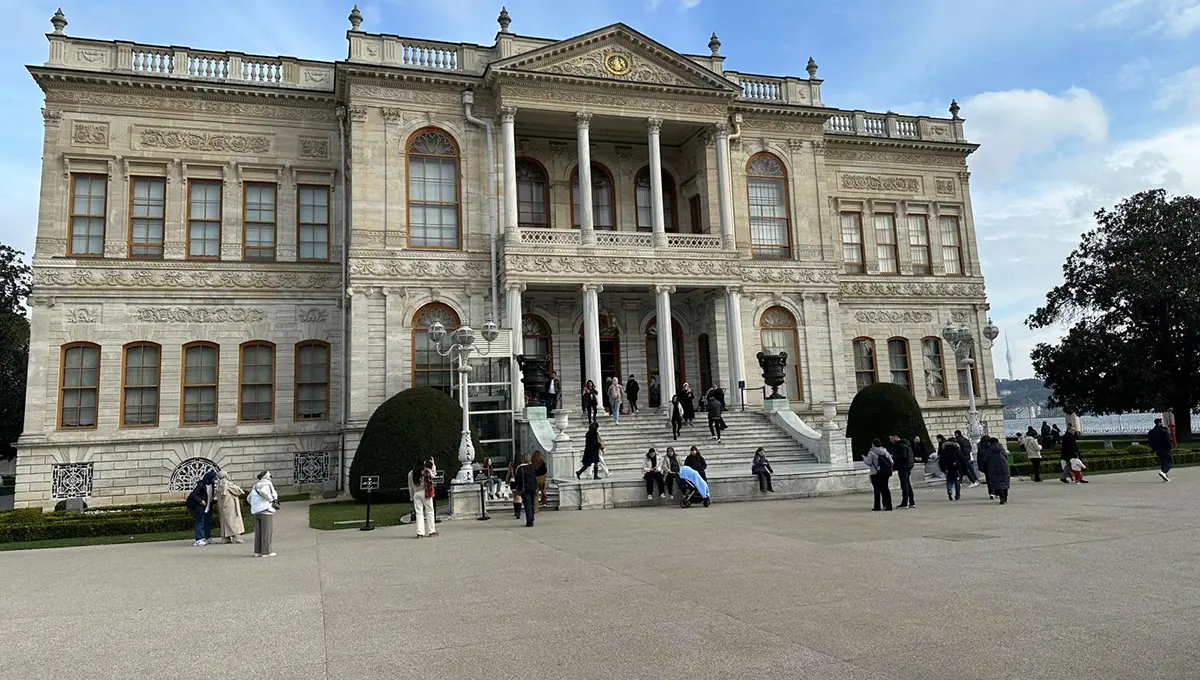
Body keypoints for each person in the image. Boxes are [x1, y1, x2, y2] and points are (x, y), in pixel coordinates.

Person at [248, 471, 279, 557]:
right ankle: (266, 551)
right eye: (270, 476)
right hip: (266, 510)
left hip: (256, 511)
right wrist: (271, 500)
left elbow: (248, 498)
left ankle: (257, 551)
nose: (271, 477)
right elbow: (263, 492)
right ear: (267, 477)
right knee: (266, 531)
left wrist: (255, 505)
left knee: (258, 533)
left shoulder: (255, 486)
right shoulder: (267, 484)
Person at [185, 470, 217, 547]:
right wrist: (200, 501)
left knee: (207, 522)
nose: (214, 479)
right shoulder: (201, 485)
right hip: (200, 507)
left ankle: (207, 537)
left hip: (208, 507)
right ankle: (198, 539)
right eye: (213, 478)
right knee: (199, 522)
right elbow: (193, 495)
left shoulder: (212, 485)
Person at [408, 458, 438, 538]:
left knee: (419, 513)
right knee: (430, 511)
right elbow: (434, 475)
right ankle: (432, 531)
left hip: (416, 494)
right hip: (426, 492)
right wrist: (433, 465)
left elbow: (410, 487)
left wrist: (411, 497)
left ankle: (420, 532)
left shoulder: (411, 473)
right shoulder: (426, 471)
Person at [215, 470, 246, 544]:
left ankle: (225, 538)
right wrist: (237, 487)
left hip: (222, 506)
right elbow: (238, 491)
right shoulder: (227, 483)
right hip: (230, 505)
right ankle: (236, 537)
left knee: (224, 521)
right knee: (233, 520)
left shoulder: (218, 485)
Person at [865, 439, 894, 511]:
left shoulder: (871, 452)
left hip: (875, 473)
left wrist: (864, 459)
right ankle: (888, 506)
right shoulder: (885, 451)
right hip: (885, 473)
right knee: (885, 488)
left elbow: (869, 463)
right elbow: (891, 461)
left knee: (877, 490)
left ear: (873, 444)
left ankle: (877, 507)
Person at [889, 434, 916, 508]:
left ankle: (905, 502)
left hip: (903, 466)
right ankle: (911, 502)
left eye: (891, 439)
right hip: (908, 465)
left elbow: (903, 456)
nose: (891, 441)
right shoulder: (906, 444)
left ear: (895, 437)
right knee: (907, 484)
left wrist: (893, 456)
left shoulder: (901, 445)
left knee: (904, 485)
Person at [513, 453, 538, 527]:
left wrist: (517, 488)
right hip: (533, 487)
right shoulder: (533, 466)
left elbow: (518, 480)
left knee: (527, 505)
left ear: (523, 459)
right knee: (532, 503)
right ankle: (532, 517)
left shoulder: (520, 468)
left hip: (524, 488)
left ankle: (529, 521)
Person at [984, 437, 1011, 504]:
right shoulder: (1001, 448)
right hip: (1004, 467)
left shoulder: (989, 450)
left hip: (993, 468)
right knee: (1005, 482)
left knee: (997, 484)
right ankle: (1005, 497)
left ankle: (1002, 498)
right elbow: (1006, 456)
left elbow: (986, 460)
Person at [1149, 418, 1173, 482]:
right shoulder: (1164, 431)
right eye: (1161, 422)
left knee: (1163, 463)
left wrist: (1154, 449)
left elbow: (1150, 442)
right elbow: (1167, 440)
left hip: (1158, 449)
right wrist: (1170, 447)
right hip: (1166, 449)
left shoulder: (1151, 432)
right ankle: (1164, 473)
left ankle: (1165, 477)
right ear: (1159, 423)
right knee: (1169, 462)